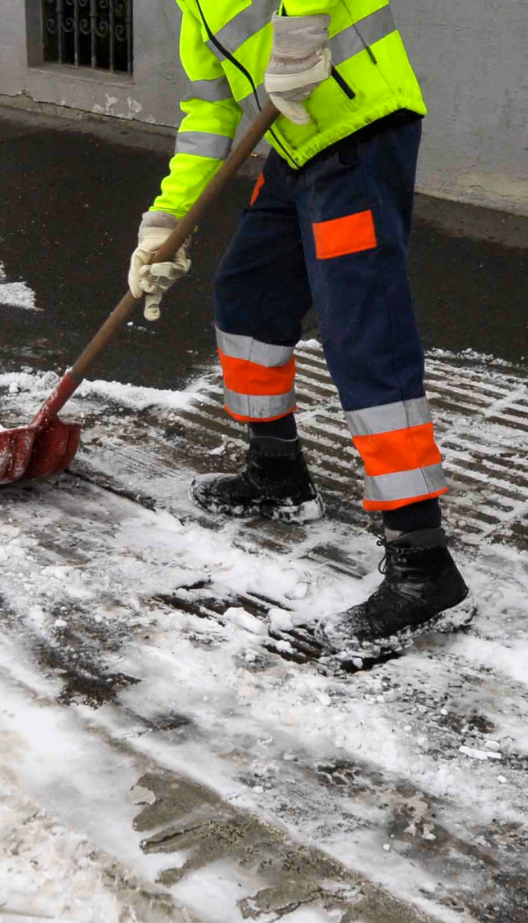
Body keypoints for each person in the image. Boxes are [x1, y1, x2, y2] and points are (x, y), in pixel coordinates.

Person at [127, 0, 474, 652]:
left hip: (358, 135)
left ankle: (424, 562)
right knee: (248, 298)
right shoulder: (193, 12)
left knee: (362, 331)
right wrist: (167, 222)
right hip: (295, 152)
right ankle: (278, 476)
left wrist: (302, 29)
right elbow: (210, 113)